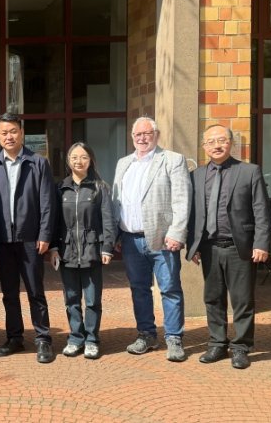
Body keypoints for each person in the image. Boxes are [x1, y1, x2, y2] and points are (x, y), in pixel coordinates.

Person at [187, 125, 270, 370]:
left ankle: (241, 347)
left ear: (231, 143)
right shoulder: (196, 175)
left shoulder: (249, 171)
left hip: (239, 247)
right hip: (209, 247)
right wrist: (193, 245)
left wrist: (261, 243)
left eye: (221, 140)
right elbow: (193, 214)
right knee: (212, 298)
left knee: (242, 300)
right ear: (204, 146)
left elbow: (261, 210)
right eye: (211, 141)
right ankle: (217, 343)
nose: (216, 145)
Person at [112, 116, 192, 362]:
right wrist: (117, 233)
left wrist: (177, 233)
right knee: (139, 289)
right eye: (138, 134)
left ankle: (174, 338)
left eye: (147, 133)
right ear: (132, 137)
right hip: (130, 240)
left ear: (156, 135)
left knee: (169, 289)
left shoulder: (172, 160)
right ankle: (146, 335)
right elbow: (117, 201)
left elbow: (182, 199)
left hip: (163, 239)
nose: (142, 138)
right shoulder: (123, 163)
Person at [0, 113, 55, 363]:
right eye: (4, 133)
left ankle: (43, 338)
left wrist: (45, 234)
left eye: (13, 131)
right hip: (3, 241)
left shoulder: (38, 163)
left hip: (31, 239)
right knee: (9, 293)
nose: (9, 136)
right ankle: (14, 338)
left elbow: (47, 202)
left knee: (36, 291)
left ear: (22, 133)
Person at [50, 142, 116, 360]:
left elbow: (108, 220)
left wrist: (107, 247)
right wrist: (53, 248)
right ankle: (75, 338)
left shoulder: (99, 187)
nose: (79, 161)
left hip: (92, 251)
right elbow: (55, 222)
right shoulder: (60, 188)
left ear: (91, 160)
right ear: (68, 161)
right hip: (67, 251)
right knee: (71, 299)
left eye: (84, 157)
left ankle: (92, 340)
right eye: (74, 157)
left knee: (92, 300)